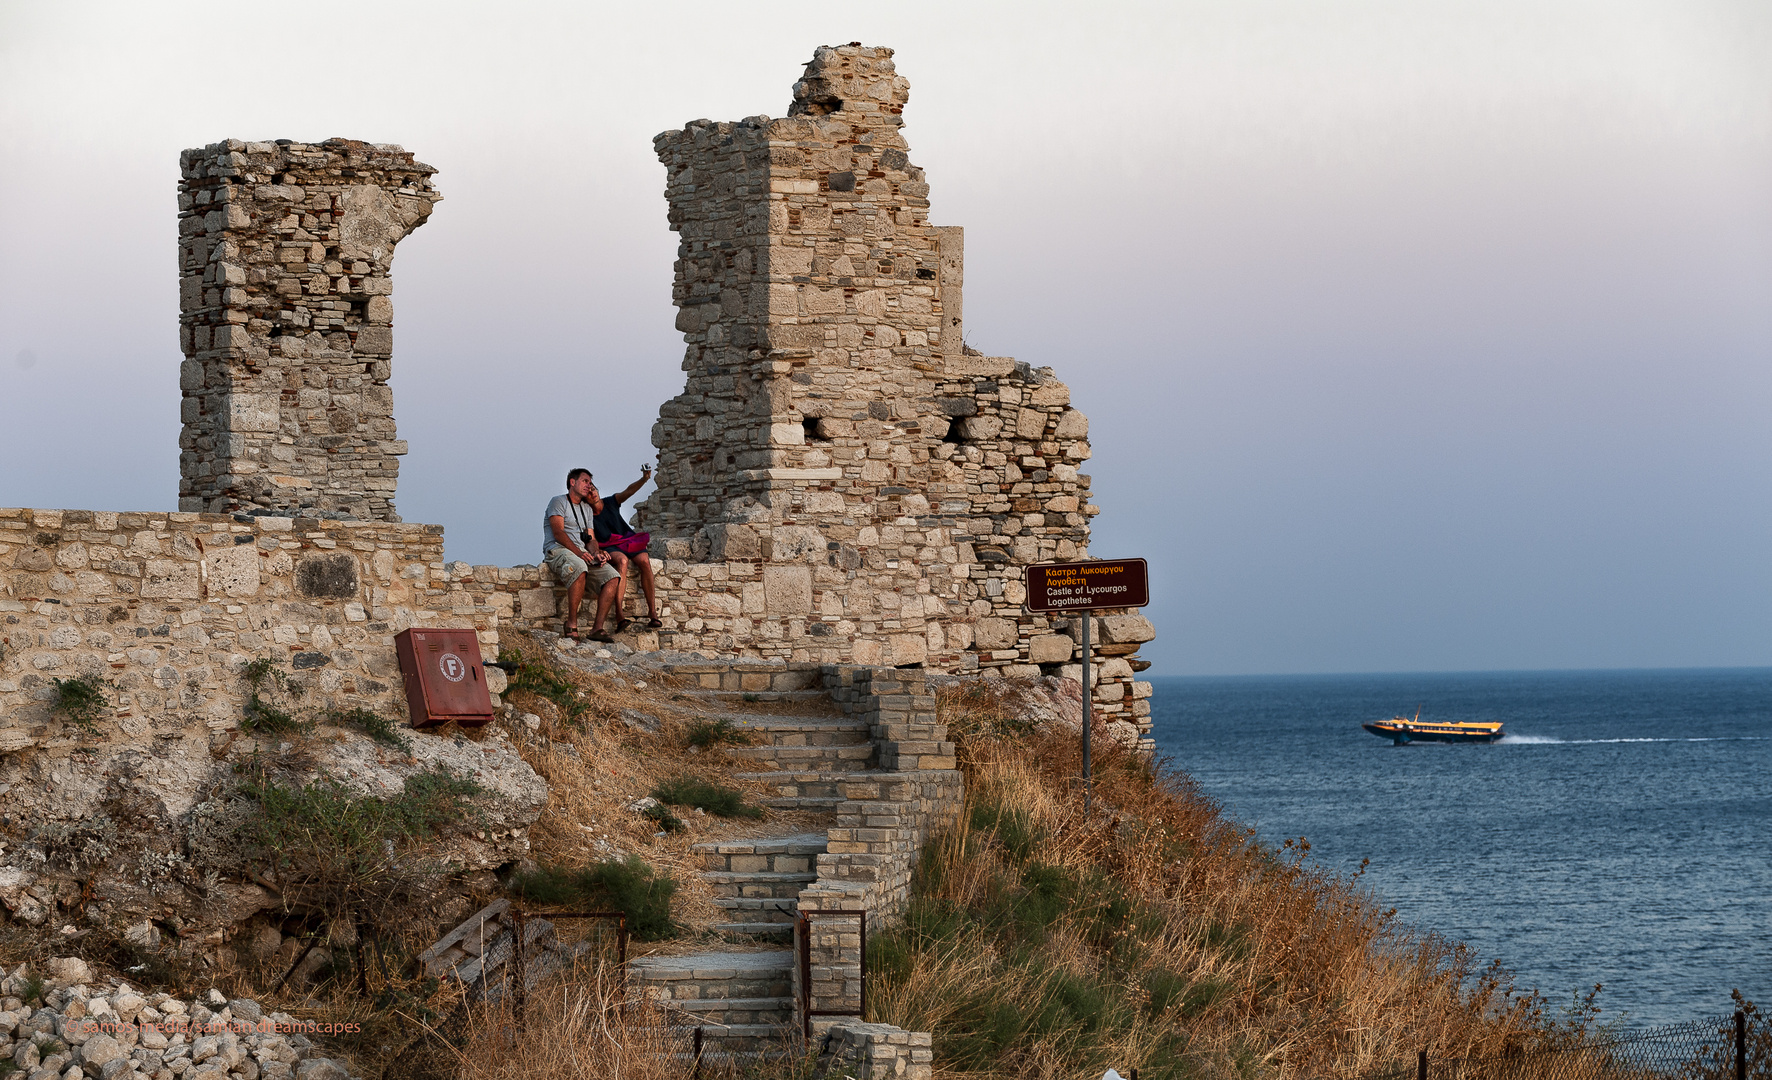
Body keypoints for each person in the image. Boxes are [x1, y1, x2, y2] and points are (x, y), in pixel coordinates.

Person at [543, 468, 622, 642]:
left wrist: (597, 553)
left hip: (582, 553)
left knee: (612, 576)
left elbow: (591, 538)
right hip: (558, 550)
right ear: (573, 482)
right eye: (585, 481)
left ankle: (597, 628)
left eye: (590, 483)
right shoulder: (558, 502)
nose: (589, 486)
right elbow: (558, 532)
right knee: (579, 567)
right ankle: (571, 623)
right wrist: (579, 553)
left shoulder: (586, 509)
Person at [590, 465, 662, 629]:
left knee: (644, 560)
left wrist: (644, 479)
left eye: (593, 489)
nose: (592, 493)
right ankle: (619, 614)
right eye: (589, 492)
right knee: (622, 561)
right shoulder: (586, 514)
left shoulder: (610, 502)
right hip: (608, 545)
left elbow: (628, 492)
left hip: (626, 540)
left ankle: (653, 613)